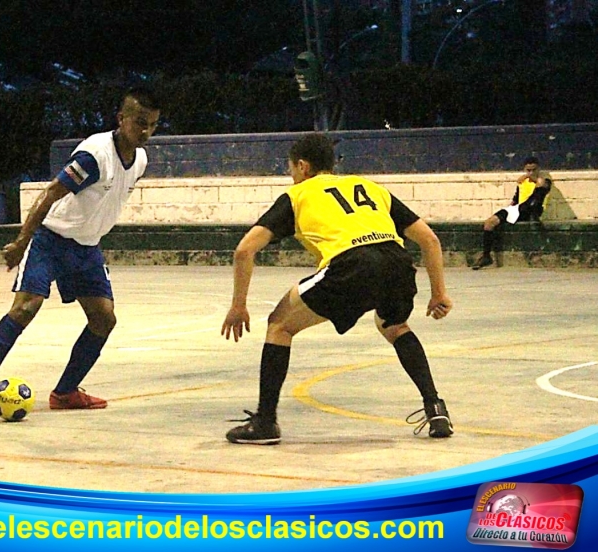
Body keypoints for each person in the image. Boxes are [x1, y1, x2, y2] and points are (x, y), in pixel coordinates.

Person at [221, 133, 454, 445]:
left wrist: (239, 305)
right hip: (397, 262)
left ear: (302, 166)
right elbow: (430, 240)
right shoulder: (370, 188)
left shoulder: (299, 195)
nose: (291, 175)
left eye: (291, 168)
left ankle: (265, 421)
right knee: (394, 325)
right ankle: (435, 408)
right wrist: (439, 293)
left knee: (279, 324)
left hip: (351, 264)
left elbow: (243, 251)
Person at [0, 87, 162, 421]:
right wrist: (23, 241)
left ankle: (66, 392)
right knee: (26, 307)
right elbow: (52, 193)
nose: (146, 131)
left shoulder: (139, 160)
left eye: (153, 125)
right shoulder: (95, 156)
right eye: (140, 123)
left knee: (104, 319)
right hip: (51, 241)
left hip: (87, 249)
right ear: (121, 119)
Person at [472, 156, 552, 270]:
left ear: (538, 169)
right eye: (528, 170)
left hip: (533, 209)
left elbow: (543, 184)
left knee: (531, 204)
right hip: (518, 209)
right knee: (489, 223)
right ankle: (486, 256)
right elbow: (515, 199)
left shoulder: (544, 182)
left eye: (534, 170)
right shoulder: (522, 183)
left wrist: (531, 178)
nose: (531, 173)